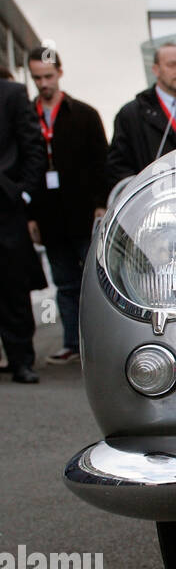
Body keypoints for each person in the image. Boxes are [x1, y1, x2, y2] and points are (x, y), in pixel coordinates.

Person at [25, 47, 110, 365]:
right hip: (49, 216)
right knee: (64, 281)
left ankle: (99, 345)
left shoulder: (83, 114)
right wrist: (30, 216)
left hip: (83, 211)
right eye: (37, 78)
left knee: (94, 281)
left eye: (47, 76)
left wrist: (101, 205)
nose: (43, 83)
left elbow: (101, 160)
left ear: (60, 73)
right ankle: (72, 343)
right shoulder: (28, 114)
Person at [0, 74, 48, 383]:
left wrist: (24, 192)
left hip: (6, 205)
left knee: (12, 284)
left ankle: (21, 361)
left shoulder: (13, 94)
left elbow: (33, 146)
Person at [107, 42, 176, 183]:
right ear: (156, 69)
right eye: (171, 65)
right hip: (156, 199)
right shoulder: (131, 114)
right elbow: (118, 165)